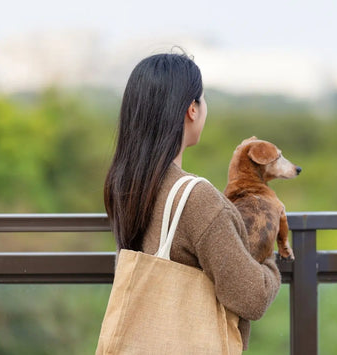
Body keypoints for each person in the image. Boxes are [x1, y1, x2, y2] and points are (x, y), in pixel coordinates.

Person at [103, 52, 281, 351]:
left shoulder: (126, 183)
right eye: (204, 99)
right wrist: (268, 248)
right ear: (192, 110)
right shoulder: (196, 198)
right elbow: (252, 297)